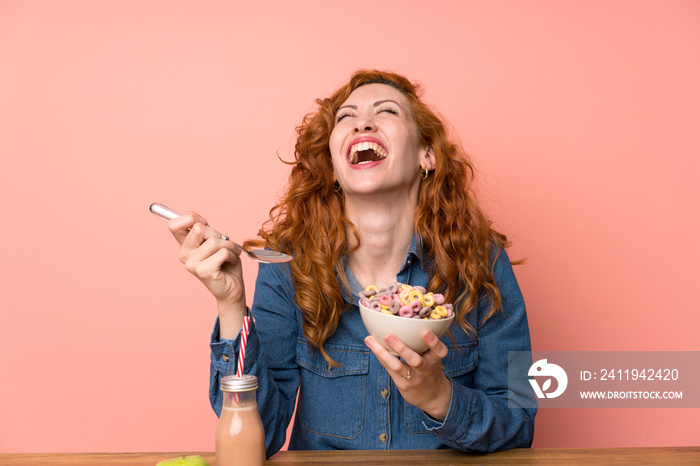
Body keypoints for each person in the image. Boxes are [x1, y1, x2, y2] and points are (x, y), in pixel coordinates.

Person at [167, 70, 536, 455]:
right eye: (346, 117)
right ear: (333, 163)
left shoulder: (481, 262)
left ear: (427, 155)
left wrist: (440, 398)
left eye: (387, 111)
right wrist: (230, 304)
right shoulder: (290, 265)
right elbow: (264, 434)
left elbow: (520, 425)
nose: (362, 122)